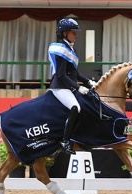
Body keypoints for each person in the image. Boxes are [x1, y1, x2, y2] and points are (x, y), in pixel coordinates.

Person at [48, 18, 97, 155]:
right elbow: (62, 75)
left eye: (76, 32)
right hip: (60, 87)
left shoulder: (70, 49)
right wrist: (78, 87)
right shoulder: (61, 50)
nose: (76, 35)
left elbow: (74, 73)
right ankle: (65, 141)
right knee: (75, 108)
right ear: (64, 34)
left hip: (67, 86)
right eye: (73, 32)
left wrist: (88, 82)